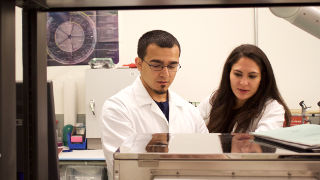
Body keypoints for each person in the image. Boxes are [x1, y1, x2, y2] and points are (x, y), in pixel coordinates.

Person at [101, 30, 208, 179]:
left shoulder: (190, 112)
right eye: (156, 65)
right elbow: (123, 169)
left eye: (172, 66)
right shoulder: (117, 108)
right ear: (139, 64)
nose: (165, 74)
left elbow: (207, 164)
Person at [198, 44, 291, 133]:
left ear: (262, 78)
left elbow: (262, 144)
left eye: (252, 76)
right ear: (228, 74)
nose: (243, 82)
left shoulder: (272, 109)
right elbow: (192, 126)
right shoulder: (213, 100)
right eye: (238, 74)